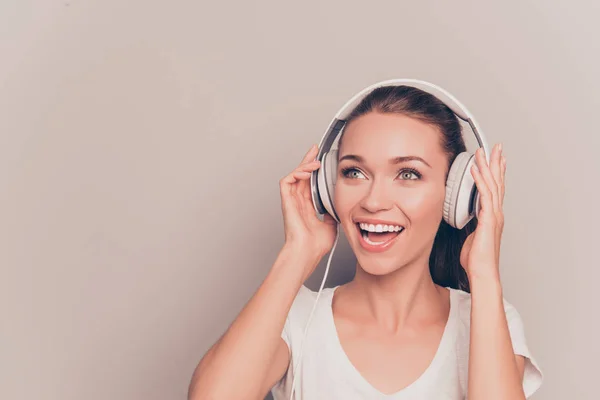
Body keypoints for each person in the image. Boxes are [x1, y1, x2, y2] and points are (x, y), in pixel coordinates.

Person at [187, 85, 543, 399]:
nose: (373, 201)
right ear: (327, 188)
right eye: (353, 172)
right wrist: (297, 251)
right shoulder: (295, 318)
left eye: (408, 174)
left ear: (456, 196)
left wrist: (484, 275)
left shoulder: (487, 320)